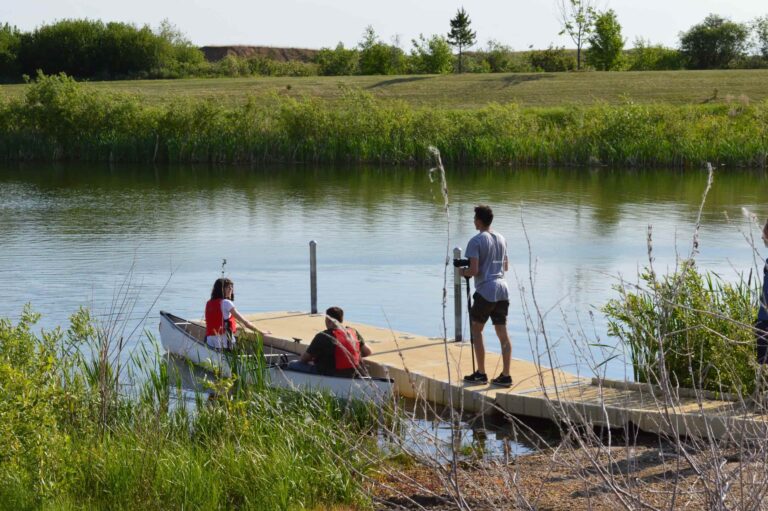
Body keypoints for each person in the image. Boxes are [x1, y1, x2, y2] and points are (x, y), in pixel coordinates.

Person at [460, 204, 513, 388]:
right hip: (503, 289)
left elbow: (474, 270)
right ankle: (506, 375)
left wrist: (463, 272)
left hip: (486, 290)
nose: (473, 221)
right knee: (502, 334)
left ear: (479, 221)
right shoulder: (502, 238)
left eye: (475, 218)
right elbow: (505, 267)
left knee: (477, 329)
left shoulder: (476, 241)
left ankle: (481, 373)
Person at [288, 306, 372, 377]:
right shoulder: (353, 332)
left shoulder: (323, 336)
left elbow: (304, 359)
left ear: (328, 320)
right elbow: (368, 352)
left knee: (292, 364)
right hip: (354, 373)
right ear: (341, 320)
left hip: (331, 374)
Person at [204, 277, 261, 350]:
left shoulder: (209, 303)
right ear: (220, 289)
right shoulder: (227, 303)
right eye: (228, 287)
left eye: (231, 287)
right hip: (225, 345)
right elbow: (245, 322)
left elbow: (216, 322)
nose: (231, 289)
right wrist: (260, 332)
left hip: (210, 342)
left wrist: (235, 327)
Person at [756, 220, 768, 373]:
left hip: (765, 322)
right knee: (763, 368)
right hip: (763, 320)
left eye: (764, 233)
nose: (762, 237)